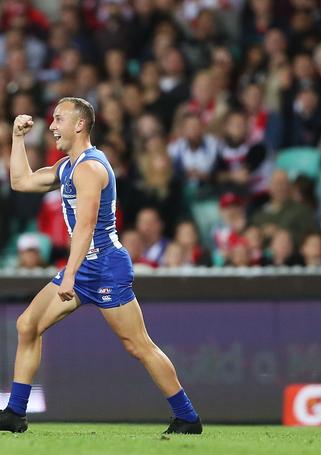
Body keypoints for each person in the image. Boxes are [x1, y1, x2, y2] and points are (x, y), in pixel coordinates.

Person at [0, 98, 202, 434]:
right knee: (27, 325)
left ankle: (188, 418)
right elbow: (22, 182)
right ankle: (15, 414)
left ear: (80, 124)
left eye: (59, 119)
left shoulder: (90, 168)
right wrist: (17, 140)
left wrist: (71, 274)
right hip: (84, 267)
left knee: (138, 345)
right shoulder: (70, 166)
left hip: (105, 266)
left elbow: (86, 227)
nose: (51, 126)